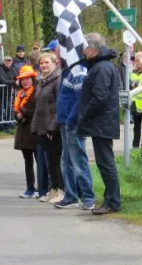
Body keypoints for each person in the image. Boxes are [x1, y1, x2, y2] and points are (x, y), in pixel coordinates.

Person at [77, 33, 121, 216]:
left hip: (102, 122)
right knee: (105, 162)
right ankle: (110, 198)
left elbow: (100, 97)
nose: (83, 51)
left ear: (93, 49)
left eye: (85, 48)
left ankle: (113, 201)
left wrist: (85, 116)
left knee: (106, 163)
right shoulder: (102, 66)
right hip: (103, 122)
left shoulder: (102, 68)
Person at [53, 40, 96, 211]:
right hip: (65, 123)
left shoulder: (78, 72)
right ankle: (71, 196)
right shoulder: (68, 71)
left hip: (73, 124)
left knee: (78, 161)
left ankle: (88, 197)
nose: (55, 55)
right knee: (66, 162)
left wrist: (71, 120)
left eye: (57, 51)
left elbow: (80, 99)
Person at [30, 52, 63, 204]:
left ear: (55, 63)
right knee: (50, 161)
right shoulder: (41, 81)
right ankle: (54, 189)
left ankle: (61, 190)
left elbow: (59, 106)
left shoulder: (57, 80)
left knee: (57, 160)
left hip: (52, 128)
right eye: (41, 63)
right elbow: (39, 106)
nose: (43, 65)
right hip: (41, 127)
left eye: (47, 63)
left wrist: (53, 127)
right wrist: (34, 126)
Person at [12, 65, 41, 199]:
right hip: (23, 131)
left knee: (39, 160)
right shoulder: (20, 93)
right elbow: (16, 109)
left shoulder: (36, 92)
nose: (25, 81)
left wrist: (22, 112)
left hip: (33, 130)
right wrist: (17, 114)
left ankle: (42, 188)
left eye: (28, 79)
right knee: (27, 161)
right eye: (23, 79)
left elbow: (35, 111)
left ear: (32, 78)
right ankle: (30, 187)